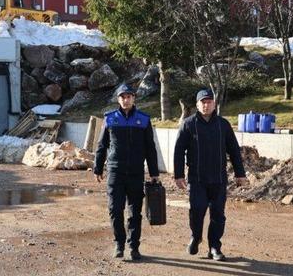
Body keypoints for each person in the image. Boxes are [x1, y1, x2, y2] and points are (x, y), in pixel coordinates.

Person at [173, 88, 248, 261]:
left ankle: (214, 247)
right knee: (197, 210)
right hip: (197, 179)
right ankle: (196, 235)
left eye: (209, 102)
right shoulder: (189, 124)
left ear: (214, 104)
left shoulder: (223, 125)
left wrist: (240, 174)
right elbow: (178, 151)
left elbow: (234, 151)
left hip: (219, 179)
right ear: (197, 105)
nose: (206, 105)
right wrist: (178, 175)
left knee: (218, 215)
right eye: (203, 102)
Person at [93, 84, 160, 261]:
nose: (126, 99)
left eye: (129, 96)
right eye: (122, 97)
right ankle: (119, 244)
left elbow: (150, 148)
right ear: (118, 99)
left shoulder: (143, 119)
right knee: (115, 209)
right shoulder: (110, 119)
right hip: (115, 171)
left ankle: (134, 246)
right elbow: (102, 145)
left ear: (133, 98)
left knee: (134, 211)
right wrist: (97, 168)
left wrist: (154, 172)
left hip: (136, 173)